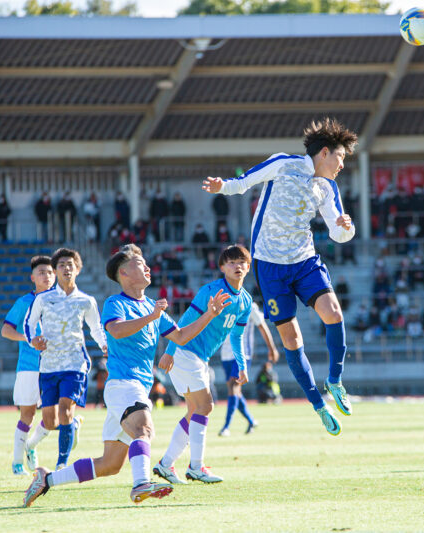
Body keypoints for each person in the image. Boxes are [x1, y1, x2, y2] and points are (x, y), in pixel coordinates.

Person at [22, 244, 229, 507]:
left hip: (134, 387)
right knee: (144, 428)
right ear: (124, 272)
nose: (148, 267)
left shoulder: (153, 308)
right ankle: (141, 484)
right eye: (140, 264)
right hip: (123, 384)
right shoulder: (115, 303)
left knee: (109, 465)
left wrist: (210, 314)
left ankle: (46, 479)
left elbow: (182, 336)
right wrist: (152, 316)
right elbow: (116, 331)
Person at [201, 117, 356, 436]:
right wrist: (223, 186)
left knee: (334, 314)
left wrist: (345, 227)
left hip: (304, 261)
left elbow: (338, 232)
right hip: (269, 265)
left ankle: (335, 381)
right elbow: (244, 182)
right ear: (325, 152)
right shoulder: (283, 164)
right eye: (341, 157)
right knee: (291, 339)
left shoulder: (327, 188)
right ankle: (318, 405)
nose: (342, 165)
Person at [153, 245, 255, 484]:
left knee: (194, 411)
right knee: (206, 405)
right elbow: (186, 319)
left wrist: (242, 365)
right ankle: (196, 467)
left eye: (241, 262)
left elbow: (236, 336)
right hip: (186, 352)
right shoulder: (211, 290)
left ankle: (166, 464)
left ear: (248, 267)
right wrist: (170, 350)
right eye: (231, 262)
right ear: (221, 267)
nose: (237, 266)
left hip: (199, 357)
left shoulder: (246, 301)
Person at [24, 248, 108, 471]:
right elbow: (29, 324)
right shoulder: (43, 299)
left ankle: (62, 464)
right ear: (55, 270)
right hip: (48, 365)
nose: (66, 268)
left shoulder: (86, 301)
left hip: (74, 364)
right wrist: (34, 340)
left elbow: (96, 328)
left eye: (71, 264)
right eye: (61, 265)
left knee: (65, 411)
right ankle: (33, 444)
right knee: (51, 421)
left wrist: (104, 345)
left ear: (78, 270)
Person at [0, 255, 56, 476]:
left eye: (50, 272)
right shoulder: (24, 302)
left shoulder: (61, 302)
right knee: (28, 414)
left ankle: (31, 445)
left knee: (57, 415)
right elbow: (5, 330)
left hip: (55, 365)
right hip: (29, 366)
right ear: (33, 277)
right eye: (42, 272)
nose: (47, 276)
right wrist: (28, 338)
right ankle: (17, 463)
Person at [218, 300, 279, 437]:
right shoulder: (226, 303)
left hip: (242, 354)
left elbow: (262, 326)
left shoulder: (250, 305)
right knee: (235, 392)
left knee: (234, 386)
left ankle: (226, 427)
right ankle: (251, 421)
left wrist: (272, 348)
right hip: (225, 354)